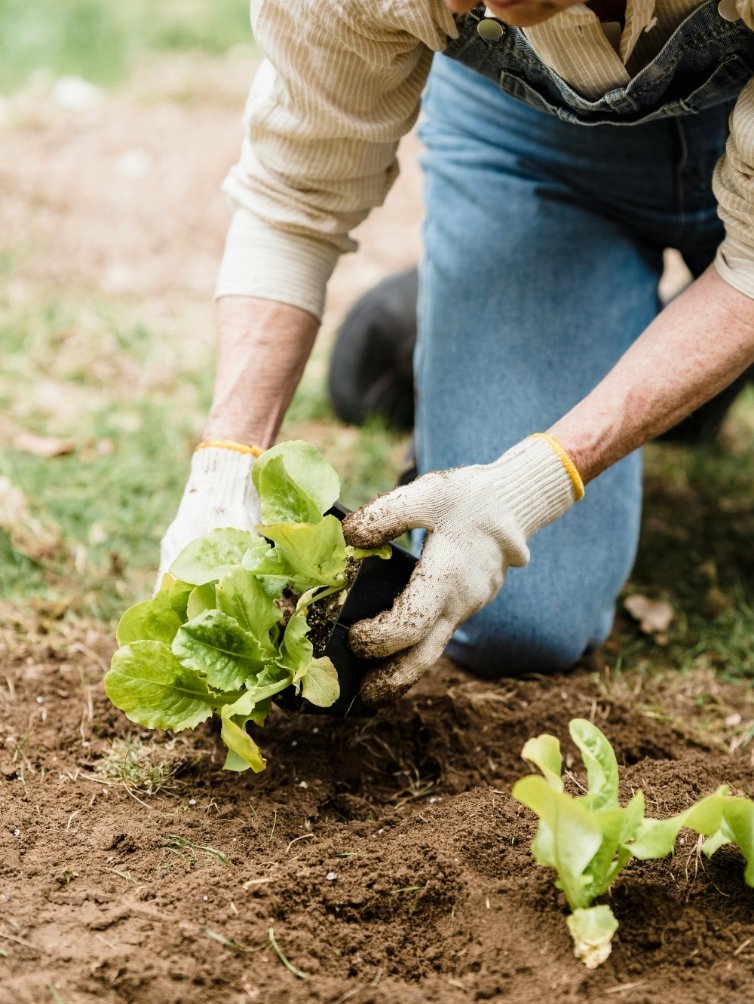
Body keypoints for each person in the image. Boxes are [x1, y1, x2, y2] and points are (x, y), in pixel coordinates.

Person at [159, 0, 754, 708]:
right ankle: (492, 311)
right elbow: (293, 194)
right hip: (538, 145)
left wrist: (533, 480)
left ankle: (673, 354)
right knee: (520, 623)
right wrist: (227, 461)